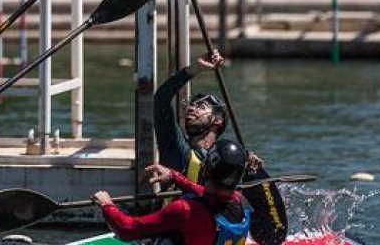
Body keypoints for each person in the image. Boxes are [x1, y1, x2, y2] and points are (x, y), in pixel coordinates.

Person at [92, 139, 252, 245]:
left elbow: (127, 230)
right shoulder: (243, 204)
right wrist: (174, 176)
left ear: (205, 170)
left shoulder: (185, 210)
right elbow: (206, 195)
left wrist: (107, 205)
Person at [153, 51, 262, 185]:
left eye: (201, 106)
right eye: (191, 105)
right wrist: (197, 67)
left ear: (218, 120)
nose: (192, 108)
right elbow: (161, 99)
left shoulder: (227, 159)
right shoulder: (174, 146)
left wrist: (250, 168)